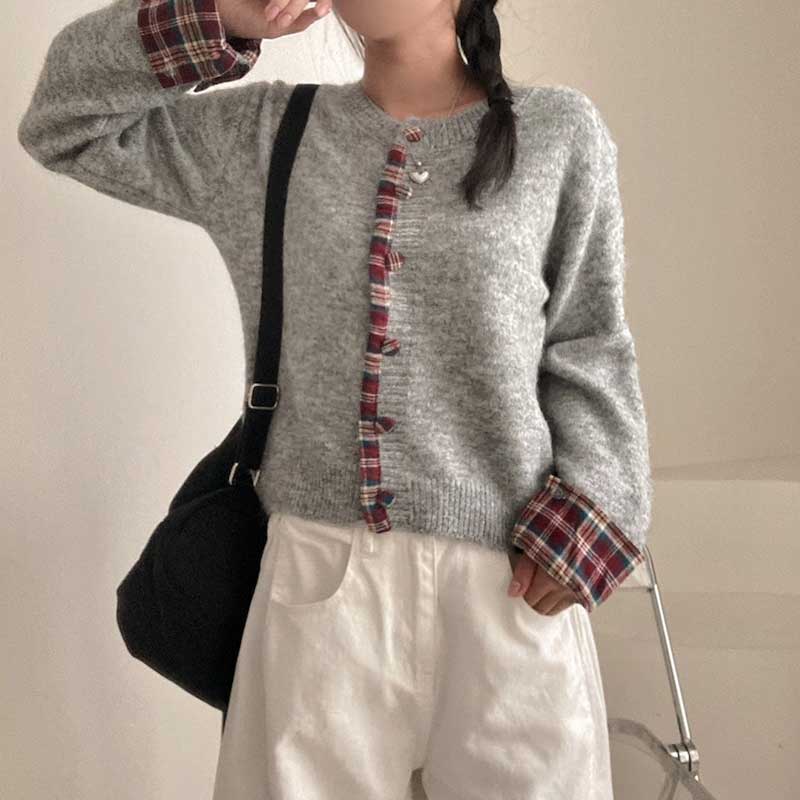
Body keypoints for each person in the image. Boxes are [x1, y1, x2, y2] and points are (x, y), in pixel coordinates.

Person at [18, 0, 654, 797]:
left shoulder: (556, 132)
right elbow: (63, 124)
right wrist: (219, 15)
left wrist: (598, 507)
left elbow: (589, 338)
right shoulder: (266, 136)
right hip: (315, 578)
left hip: (511, 582)